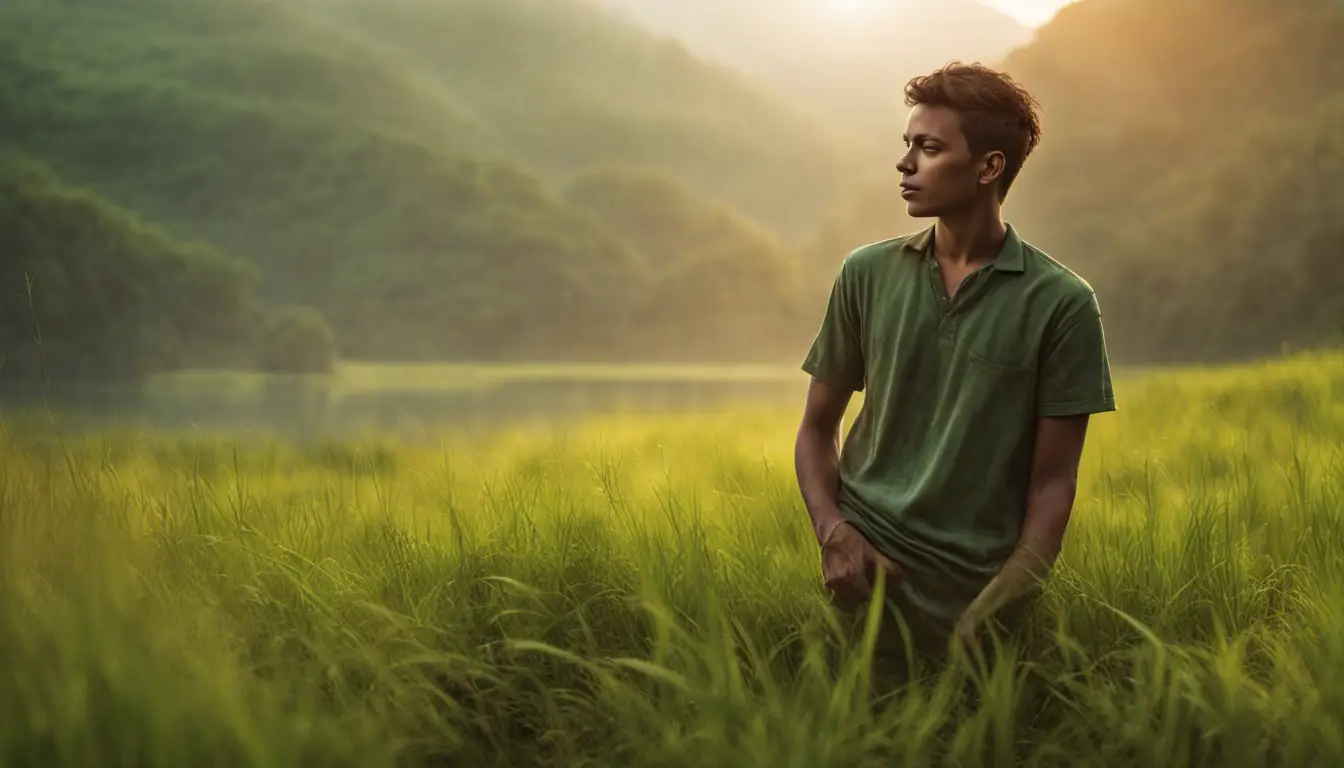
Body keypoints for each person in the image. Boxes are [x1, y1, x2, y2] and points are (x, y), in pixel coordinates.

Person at [794, 62, 1116, 663]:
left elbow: (1052, 485)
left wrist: (995, 610)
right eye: (907, 144)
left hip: (979, 609)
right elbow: (816, 429)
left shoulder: (1062, 303)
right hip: (857, 589)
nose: (905, 162)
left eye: (929, 147)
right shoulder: (864, 274)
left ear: (989, 166)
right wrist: (835, 535)